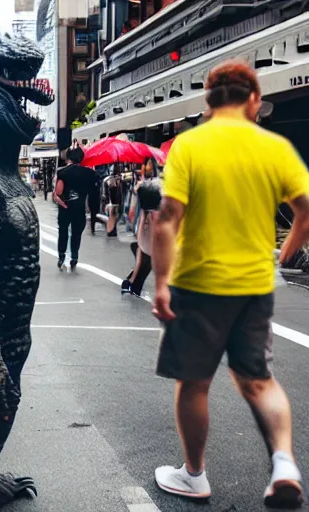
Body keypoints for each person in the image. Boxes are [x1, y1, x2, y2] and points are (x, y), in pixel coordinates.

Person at [151, 60, 309, 508]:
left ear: (208, 100)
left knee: (194, 382)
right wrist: (285, 253)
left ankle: (194, 475)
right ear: (254, 99)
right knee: (259, 380)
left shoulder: (190, 146)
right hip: (254, 286)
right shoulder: (274, 147)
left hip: (198, 283)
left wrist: (161, 282)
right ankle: (283, 463)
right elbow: (306, 210)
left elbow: (166, 219)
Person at [122, 158, 161, 296]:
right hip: (151, 223)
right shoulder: (155, 186)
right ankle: (133, 282)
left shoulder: (147, 186)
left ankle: (132, 282)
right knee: (145, 255)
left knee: (144, 255)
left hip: (149, 223)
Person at [54, 146, 97, 270]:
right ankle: (74, 257)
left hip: (65, 208)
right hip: (79, 208)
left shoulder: (62, 172)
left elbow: (59, 191)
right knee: (76, 233)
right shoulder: (89, 173)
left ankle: (61, 255)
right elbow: (92, 193)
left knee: (63, 231)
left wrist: (60, 201)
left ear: (68, 157)